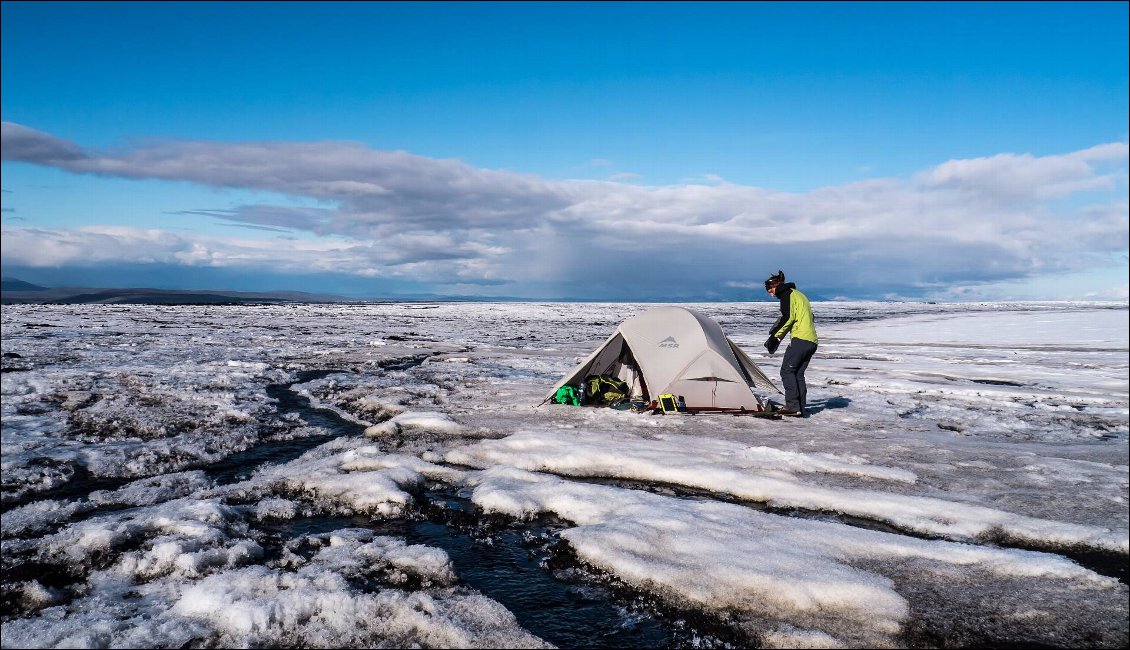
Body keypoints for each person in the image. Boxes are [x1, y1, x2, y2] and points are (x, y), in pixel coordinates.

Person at [763, 270, 818, 417]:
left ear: (775, 286)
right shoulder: (799, 295)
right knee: (798, 373)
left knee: (786, 371)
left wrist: (775, 338)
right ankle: (800, 407)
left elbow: (788, 317)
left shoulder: (786, 294)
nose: (770, 293)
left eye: (769, 290)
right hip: (811, 341)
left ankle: (793, 407)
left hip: (800, 339)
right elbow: (809, 316)